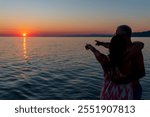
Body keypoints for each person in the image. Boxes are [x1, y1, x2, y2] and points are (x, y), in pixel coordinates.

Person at [85, 35, 144, 99]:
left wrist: (89, 46)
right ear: (125, 47)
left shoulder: (105, 60)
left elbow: (95, 51)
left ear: (111, 47)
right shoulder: (129, 59)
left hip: (107, 94)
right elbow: (140, 45)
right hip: (124, 95)